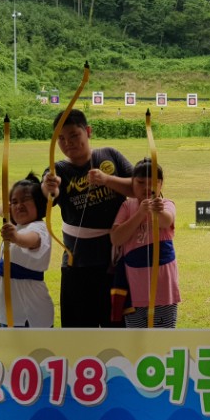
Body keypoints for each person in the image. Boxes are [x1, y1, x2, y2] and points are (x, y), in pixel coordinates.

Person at [42, 109, 134, 328]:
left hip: (116, 265)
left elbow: (139, 188)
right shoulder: (58, 170)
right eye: (61, 138)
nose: (68, 143)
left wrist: (107, 180)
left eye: (74, 135)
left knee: (117, 330)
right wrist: (48, 186)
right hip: (77, 265)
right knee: (79, 334)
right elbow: (48, 197)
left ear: (88, 131)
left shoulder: (110, 155)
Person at [110, 158, 181, 328]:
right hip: (135, 291)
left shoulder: (166, 204)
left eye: (153, 183)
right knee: (136, 339)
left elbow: (166, 220)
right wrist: (140, 213)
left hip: (163, 290)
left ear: (161, 184)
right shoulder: (127, 207)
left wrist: (157, 211)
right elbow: (116, 238)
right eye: (140, 182)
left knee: (163, 338)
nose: (146, 188)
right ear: (132, 184)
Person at [0, 173, 54, 328]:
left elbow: (31, 240)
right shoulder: (19, 225)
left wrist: (15, 237)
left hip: (29, 313)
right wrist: (11, 207)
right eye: (14, 202)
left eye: (26, 199)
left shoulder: (39, 227)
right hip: (11, 312)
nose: (19, 205)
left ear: (39, 203)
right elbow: (1, 210)